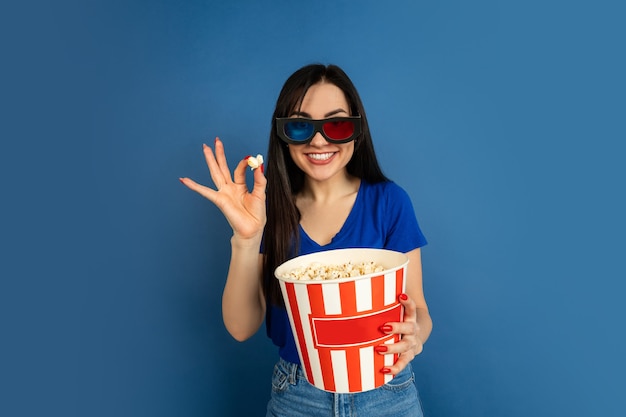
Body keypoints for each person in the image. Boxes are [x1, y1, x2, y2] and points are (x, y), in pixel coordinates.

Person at [180, 64, 432, 417]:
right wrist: (246, 239)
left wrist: (415, 333)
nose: (318, 140)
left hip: (387, 389)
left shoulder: (390, 202)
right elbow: (240, 328)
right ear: (283, 134)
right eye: (300, 126)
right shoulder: (269, 211)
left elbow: (417, 307)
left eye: (338, 124)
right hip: (297, 394)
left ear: (357, 131)